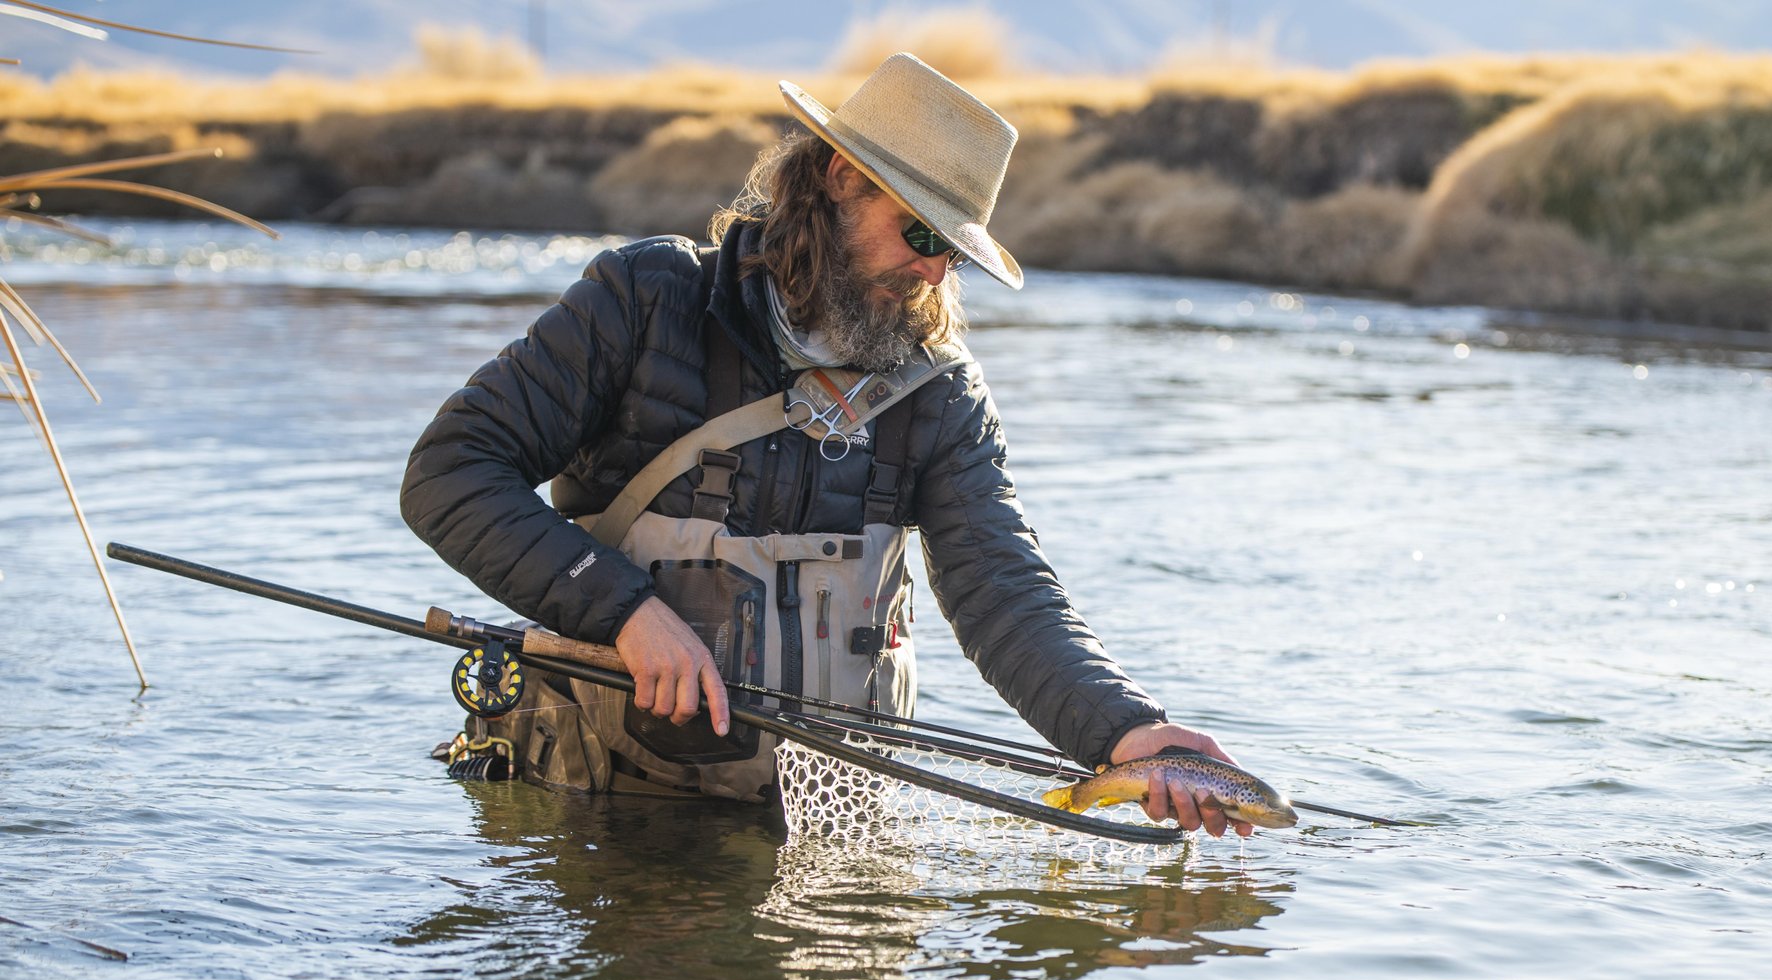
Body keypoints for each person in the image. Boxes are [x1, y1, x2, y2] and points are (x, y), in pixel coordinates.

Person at [401, 54, 1249, 837]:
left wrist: (1126, 730)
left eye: (953, 256)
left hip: (820, 831)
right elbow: (450, 472)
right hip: (599, 808)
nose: (934, 274)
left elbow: (1003, 592)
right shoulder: (645, 301)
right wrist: (624, 612)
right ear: (841, 180)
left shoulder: (941, 391)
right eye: (923, 235)